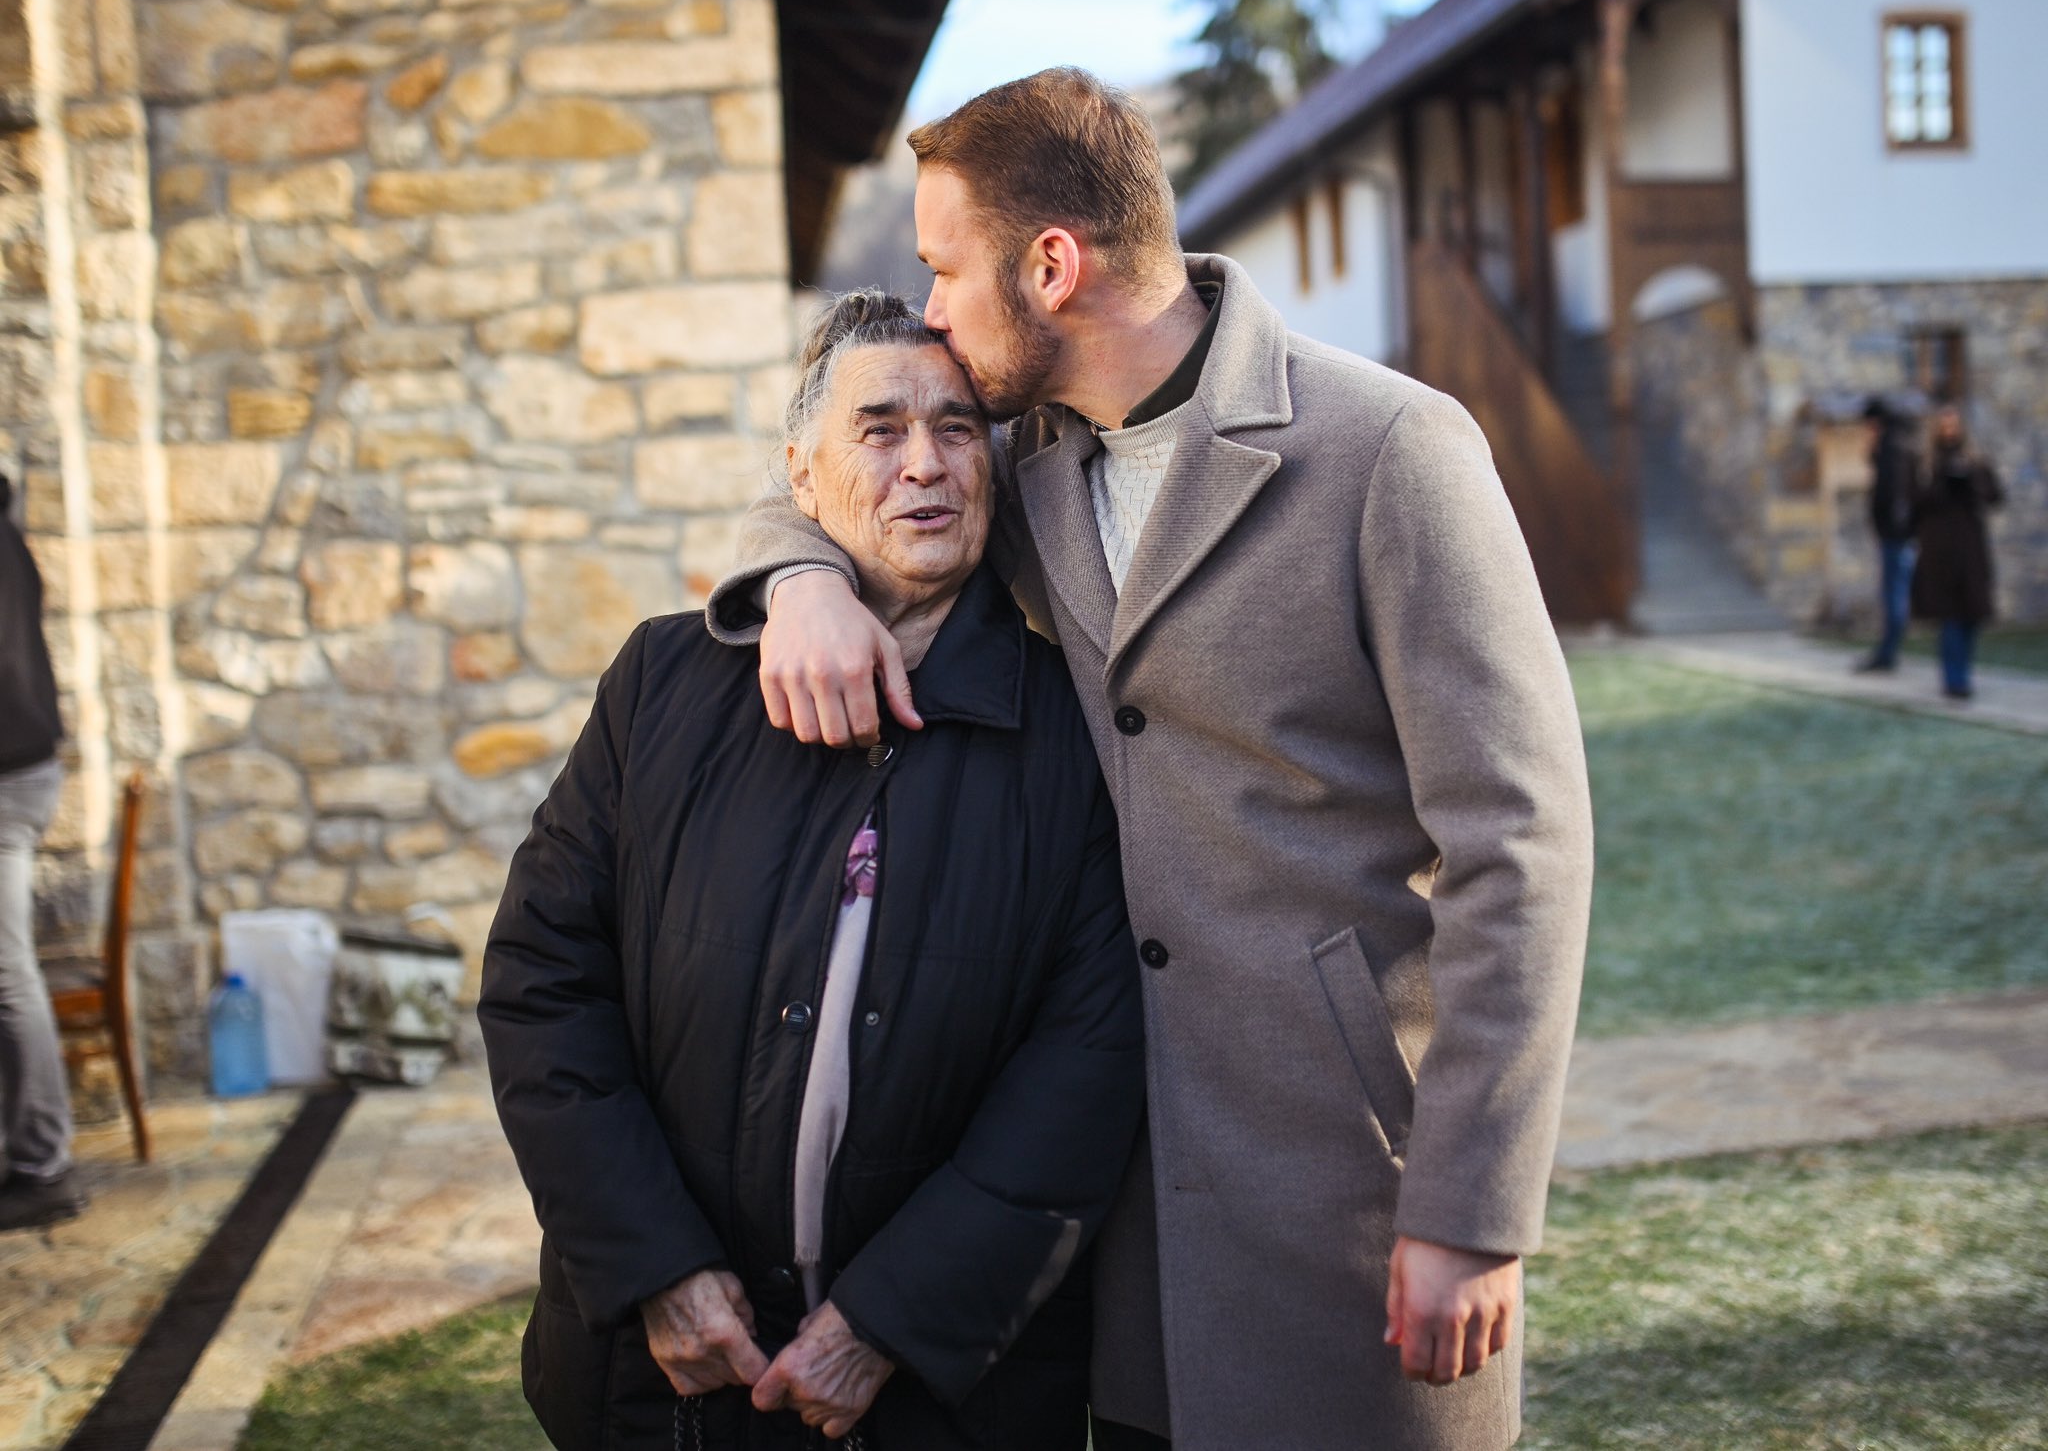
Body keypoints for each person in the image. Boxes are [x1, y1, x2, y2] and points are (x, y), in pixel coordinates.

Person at [709, 70, 1594, 1451]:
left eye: (946, 268)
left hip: (1349, 1195)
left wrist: (1471, 1208)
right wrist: (801, 580)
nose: (933, 308)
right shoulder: (1031, 461)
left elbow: (1521, 846)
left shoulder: (1391, 451)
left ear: (1051, 265)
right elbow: (818, 475)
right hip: (1116, 1215)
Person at [480, 291, 1145, 1450]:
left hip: (943, 1392)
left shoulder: (1071, 733)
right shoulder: (661, 686)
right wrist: (652, 1265)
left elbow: (1085, 1065)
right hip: (665, 1381)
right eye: (879, 430)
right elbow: (542, 979)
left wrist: (889, 1319)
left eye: (955, 429)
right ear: (800, 475)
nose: (927, 464)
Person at [0, 474, 84, 1233]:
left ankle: (43, 1164)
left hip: (7, 779)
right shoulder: (10, 533)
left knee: (6, 971)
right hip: (24, 770)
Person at [1910, 403, 2003, 700]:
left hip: (1970, 548)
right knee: (1949, 616)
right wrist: (1941, 485)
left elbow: (1995, 496)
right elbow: (1916, 504)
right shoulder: (1926, 465)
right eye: (1944, 425)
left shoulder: (1975, 462)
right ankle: (1954, 680)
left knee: (1970, 614)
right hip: (1939, 550)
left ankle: (1963, 673)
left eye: (1954, 425)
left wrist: (1969, 484)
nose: (1950, 431)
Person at [1855, 397, 1919, 673]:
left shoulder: (1892, 448)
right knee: (1894, 592)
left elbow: (1892, 494)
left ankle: (1888, 652)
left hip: (1896, 535)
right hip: (1896, 533)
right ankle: (1887, 649)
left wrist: (1892, 524)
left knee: (1894, 593)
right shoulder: (1897, 444)